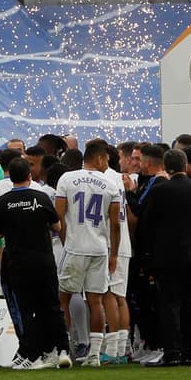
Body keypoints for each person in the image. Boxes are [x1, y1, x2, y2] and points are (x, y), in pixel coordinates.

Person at [134, 148, 191, 366]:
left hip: (166, 257)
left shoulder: (159, 190)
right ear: (185, 166)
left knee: (170, 305)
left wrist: (148, 253)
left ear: (166, 167)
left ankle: (172, 353)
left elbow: (146, 224)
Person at [0, 157, 72, 369]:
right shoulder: (41, 197)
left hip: (18, 262)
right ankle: (62, 349)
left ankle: (34, 354)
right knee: (52, 305)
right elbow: (57, 226)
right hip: (43, 260)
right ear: (29, 176)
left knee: (26, 309)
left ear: (10, 177)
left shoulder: (3, 201)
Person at [54, 138, 121, 367]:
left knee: (63, 298)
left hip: (75, 247)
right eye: (107, 160)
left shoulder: (67, 179)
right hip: (99, 249)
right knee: (96, 301)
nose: (107, 164)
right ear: (100, 158)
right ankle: (94, 355)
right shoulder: (110, 184)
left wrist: (66, 241)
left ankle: (64, 349)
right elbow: (115, 224)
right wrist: (114, 254)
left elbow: (58, 217)